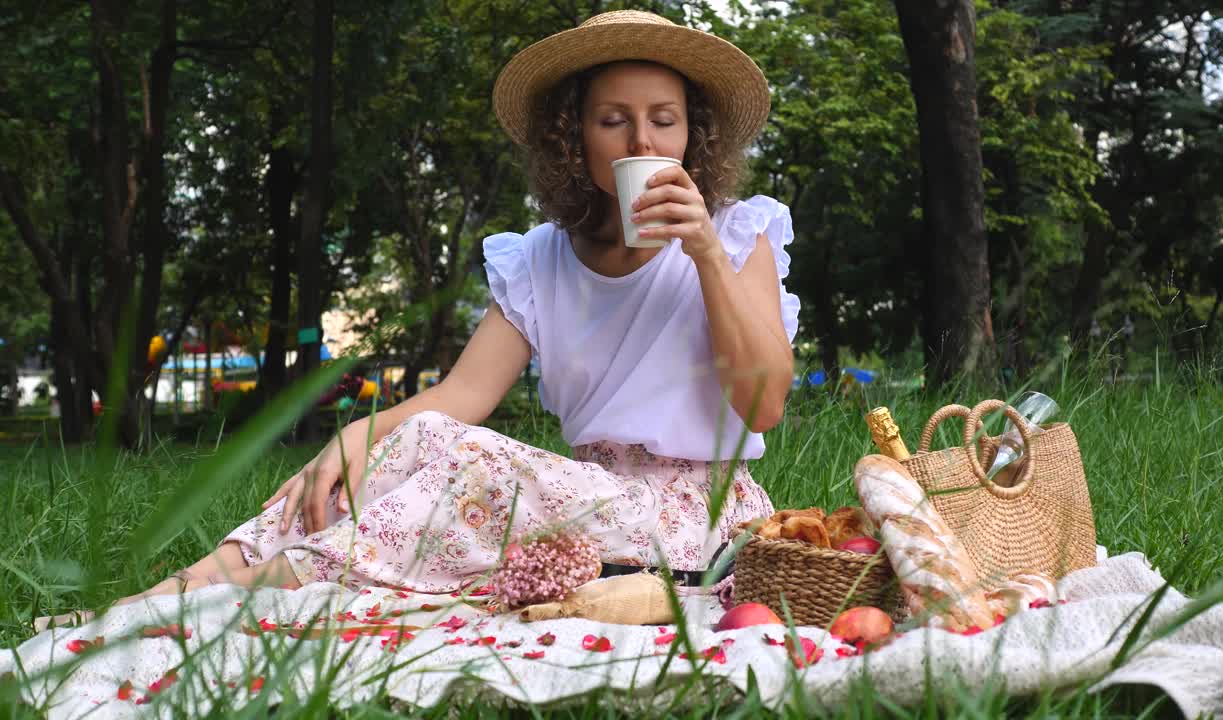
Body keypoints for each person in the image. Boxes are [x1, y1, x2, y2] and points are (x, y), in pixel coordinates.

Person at [37, 10, 799, 629]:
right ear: (575, 138)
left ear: (690, 136)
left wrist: (702, 253)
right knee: (413, 438)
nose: (642, 142)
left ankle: (264, 585)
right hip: (587, 494)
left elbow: (763, 403)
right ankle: (181, 590)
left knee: (481, 463)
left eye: (664, 121)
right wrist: (359, 433)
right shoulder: (540, 260)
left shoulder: (737, 234)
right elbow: (461, 398)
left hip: (698, 516)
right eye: (613, 121)